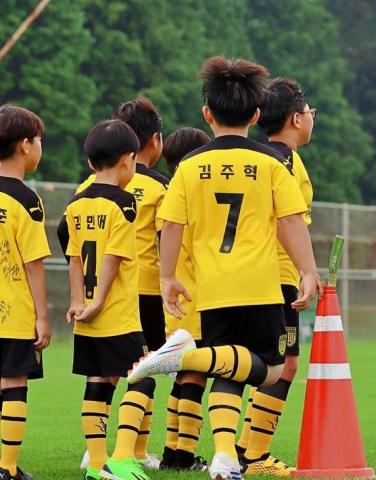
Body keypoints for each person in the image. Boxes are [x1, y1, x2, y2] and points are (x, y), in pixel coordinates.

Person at [127, 56, 323, 480]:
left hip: (212, 289)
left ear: (207, 114)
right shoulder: (271, 164)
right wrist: (308, 271)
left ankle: (224, 458)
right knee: (270, 368)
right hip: (260, 284)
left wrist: (167, 278)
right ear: (256, 114)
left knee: (227, 370)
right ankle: (189, 357)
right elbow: (290, 221)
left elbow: (170, 224)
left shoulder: (189, 167)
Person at [60, 98, 167, 470]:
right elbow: (114, 258)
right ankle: (125, 458)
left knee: (97, 381)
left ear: (90, 163)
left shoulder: (76, 205)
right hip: (118, 312)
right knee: (142, 378)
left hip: (87, 313)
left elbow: (74, 255)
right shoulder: (124, 204)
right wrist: (102, 299)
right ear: (129, 160)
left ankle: (96, 463)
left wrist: (79, 301)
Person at [236, 77, 315, 476]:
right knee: (284, 365)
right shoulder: (285, 160)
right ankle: (255, 455)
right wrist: (306, 271)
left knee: (267, 361)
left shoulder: (256, 156)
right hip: (279, 275)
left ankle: (243, 448)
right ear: (297, 118)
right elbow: (289, 222)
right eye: (311, 113)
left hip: (250, 272)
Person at [0, 105, 51, 480]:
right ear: (24, 145)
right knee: (13, 383)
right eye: (39, 141)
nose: (39, 148)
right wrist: (43, 316)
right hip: (14, 312)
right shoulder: (26, 199)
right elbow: (34, 263)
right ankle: (7, 468)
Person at [157, 127, 210, 472]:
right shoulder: (193, 195)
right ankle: (185, 456)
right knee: (195, 377)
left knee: (183, 377)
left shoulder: (169, 196)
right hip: (197, 299)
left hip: (175, 304)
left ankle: (171, 452)